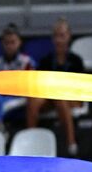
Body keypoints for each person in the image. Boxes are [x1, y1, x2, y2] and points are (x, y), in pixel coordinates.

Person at [25, 18, 86, 155]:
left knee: (60, 98)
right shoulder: (46, 60)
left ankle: (71, 142)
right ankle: (31, 141)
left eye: (62, 36)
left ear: (69, 37)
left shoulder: (76, 61)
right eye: (56, 36)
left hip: (71, 98)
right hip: (49, 96)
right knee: (32, 101)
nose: (59, 40)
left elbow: (80, 87)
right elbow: (39, 84)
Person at [0, 24, 36, 129]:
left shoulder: (27, 62)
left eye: (13, 42)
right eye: (7, 43)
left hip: (21, 97)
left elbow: (30, 86)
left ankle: (0, 128)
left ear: (19, 42)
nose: (10, 46)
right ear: (2, 44)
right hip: (0, 97)